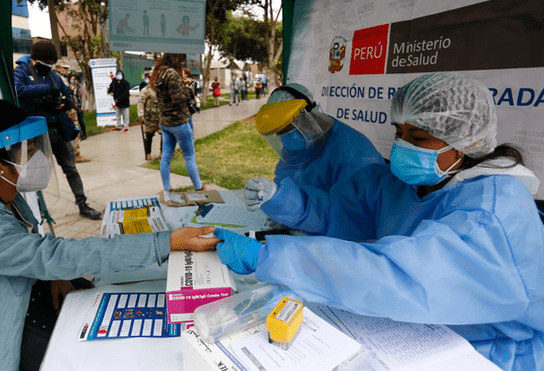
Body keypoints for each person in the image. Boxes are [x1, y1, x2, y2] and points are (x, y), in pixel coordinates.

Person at [214, 72, 544, 371]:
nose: (401, 147)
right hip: (419, 330)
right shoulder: (402, 181)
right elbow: (341, 212)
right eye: (399, 133)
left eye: (418, 138)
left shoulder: (495, 213)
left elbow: (401, 275)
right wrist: (286, 201)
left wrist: (269, 256)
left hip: (495, 351)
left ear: (468, 143)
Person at [0, 97, 219, 371]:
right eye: (27, 150)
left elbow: (32, 253)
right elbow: (53, 255)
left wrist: (52, 274)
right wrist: (165, 241)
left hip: (12, 311)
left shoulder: (2, 192)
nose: (35, 156)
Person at [243, 83, 384, 219]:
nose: (284, 137)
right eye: (279, 132)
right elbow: (285, 177)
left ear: (310, 114)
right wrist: (274, 198)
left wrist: (288, 209)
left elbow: (351, 216)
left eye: (288, 128)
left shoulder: (352, 152)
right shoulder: (301, 142)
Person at [14, 40, 101, 220]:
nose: (51, 66)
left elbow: (68, 98)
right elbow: (18, 90)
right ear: (35, 60)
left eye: (53, 63)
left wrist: (62, 103)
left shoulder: (54, 76)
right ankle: (37, 209)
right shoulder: (21, 72)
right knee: (36, 173)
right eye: (48, 63)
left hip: (58, 129)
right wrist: (47, 90)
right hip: (36, 132)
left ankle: (83, 204)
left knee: (71, 169)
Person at [151, 53, 204, 191]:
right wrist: (186, 89)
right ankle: (199, 186)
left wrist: (181, 85)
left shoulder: (160, 73)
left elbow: (167, 96)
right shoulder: (172, 74)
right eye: (182, 61)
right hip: (178, 122)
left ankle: (167, 188)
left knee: (166, 158)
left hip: (165, 123)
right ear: (176, 58)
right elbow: (179, 100)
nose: (183, 63)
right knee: (189, 157)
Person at [137, 83, 162, 161]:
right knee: (149, 135)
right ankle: (148, 153)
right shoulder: (146, 90)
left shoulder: (161, 89)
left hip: (160, 116)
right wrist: (141, 116)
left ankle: (162, 152)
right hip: (150, 117)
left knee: (164, 134)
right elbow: (141, 103)